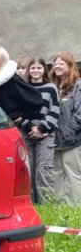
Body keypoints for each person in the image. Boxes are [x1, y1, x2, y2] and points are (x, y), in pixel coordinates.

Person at [21, 57, 60, 203]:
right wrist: (30, 127)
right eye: (33, 68)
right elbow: (18, 112)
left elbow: (55, 110)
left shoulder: (51, 87)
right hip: (26, 132)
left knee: (43, 170)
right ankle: (29, 204)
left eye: (39, 68)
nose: (36, 71)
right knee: (27, 171)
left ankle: (47, 204)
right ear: (29, 70)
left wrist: (41, 128)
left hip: (46, 133)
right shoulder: (23, 87)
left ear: (44, 69)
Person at [0, 47, 46, 127]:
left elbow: (36, 98)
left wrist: (24, 116)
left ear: (4, 60)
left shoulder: (12, 79)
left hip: (11, 125)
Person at [52, 52, 81, 204]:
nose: (57, 66)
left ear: (70, 67)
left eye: (61, 64)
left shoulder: (78, 85)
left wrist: (69, 131)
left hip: (72, 139)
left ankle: (75, 206)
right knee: (58, 173)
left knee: (73, 172)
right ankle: (60, 206)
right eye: (55, 64)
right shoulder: (54, 86)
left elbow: (80, 113)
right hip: (55, 139)